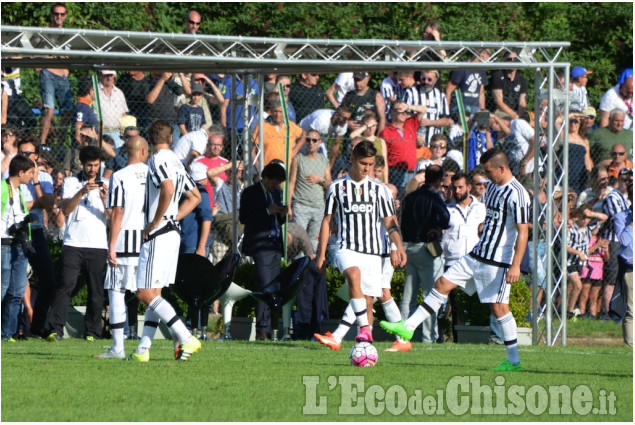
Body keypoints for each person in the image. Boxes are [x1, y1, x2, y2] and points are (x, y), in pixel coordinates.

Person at [382, 147, 531, 371]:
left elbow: (523, 232)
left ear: (502, 168)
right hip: (477, 253)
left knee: (499, 307)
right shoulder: (492, 189)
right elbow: (492, 219)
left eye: (489, 172)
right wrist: (484, 228)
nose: (486, 177)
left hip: (498, 261)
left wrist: (516, 265)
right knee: (442, 283)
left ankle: (513, 361)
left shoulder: (518, 193)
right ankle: (409, 328)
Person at [314, 140, 407, 344]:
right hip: (346, 247)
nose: (367, 168)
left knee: (367, 297)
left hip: (373, 252)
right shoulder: (337, 187)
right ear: (352, 159)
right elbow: (327, 220)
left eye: (370, 164)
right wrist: (321, 255)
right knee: (354, 276)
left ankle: (361, 341)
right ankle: (364, 328)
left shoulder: (379, 189)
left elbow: (390, 221)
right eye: (363, 163)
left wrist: (398, 246)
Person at [128, 120, 202, 362]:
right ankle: (143, 350)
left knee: (144, 293)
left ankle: (186, 337)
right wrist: (172, 218)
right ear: (171, 138)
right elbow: (195, 197)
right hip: (172, 232)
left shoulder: (157, 159)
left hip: (159, 234)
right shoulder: (177, 163)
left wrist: (155, 221)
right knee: (155, 292)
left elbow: (168, 190)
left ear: (150, 141)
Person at [46, 146, 110, 342]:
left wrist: (105, 199)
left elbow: (113, 216)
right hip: (73, 242)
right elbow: (64, 210)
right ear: (82, 164)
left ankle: (92, 332)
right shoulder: (72, 182)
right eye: (89, 165)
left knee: (96, 290)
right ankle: (56, 329)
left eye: (96, 165)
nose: (92, 169)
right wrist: (82, 191)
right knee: (66, 285)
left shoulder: (107, 183)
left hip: (98, 244)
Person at [96, 136, 149, 359]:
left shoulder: (119, 176)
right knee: (151, 294)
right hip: (148, 241)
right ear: (144, 151)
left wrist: (111, 246)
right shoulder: (153, 174)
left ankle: (118, 347)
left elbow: (117, 212)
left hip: (125, 242)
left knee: (116, 291)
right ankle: (147, 344)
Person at [399, 164, 450, 343]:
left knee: (409, 295)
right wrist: (436, 227)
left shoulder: (410, 197)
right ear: (439, 180)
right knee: (431, 295)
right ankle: (429, 337)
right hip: (427, 248)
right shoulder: (434, 197)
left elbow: (403, 221)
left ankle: (402, 335)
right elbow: (445, 219)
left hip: (409, 247)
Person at [13, 139, 58, 340]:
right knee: (14, 283)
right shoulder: (11, 176)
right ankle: (14, 329)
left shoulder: (45, 178)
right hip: (16, 232)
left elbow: (48, 205)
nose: (25, 157)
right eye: (21, 153)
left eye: (29, 154)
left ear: (36, 157)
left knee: (48, 280)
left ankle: (37, 325)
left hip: (37, 232)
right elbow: (17, 206)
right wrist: (36, 203)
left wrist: (36, 181)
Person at [239, 162, 288, 341]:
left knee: (273, 288)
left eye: (278, 184)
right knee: (265, 286)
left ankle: (272, 327)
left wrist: (281, 215)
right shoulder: (250, 192)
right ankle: (262, 329)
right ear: (265, 178)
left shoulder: (277, 193)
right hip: (261, 246)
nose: (276, 187)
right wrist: (267, 211)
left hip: (275, 245)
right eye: (274, 183)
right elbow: (244, 217)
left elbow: (277, 222)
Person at [443, 172, 486, 341]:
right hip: (452, 260)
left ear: (469, 187)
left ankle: (479, 336)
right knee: (455, 304)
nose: (457, 191)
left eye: (461, 187)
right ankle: (457, 337)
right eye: (454, 187)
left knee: (477, 300)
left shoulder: (481, 208)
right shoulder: (447, 209)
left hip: (475, 261)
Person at [1, 155, 36, 341]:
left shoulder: (20, 191)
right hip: (4, 244)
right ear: (21, 172)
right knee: (2, 289)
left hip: (20, 246)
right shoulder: (2, 188)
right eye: (30, 172)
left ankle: (7, 334)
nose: (32, 176)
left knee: (16, 292)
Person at [288, 129, 331, 252]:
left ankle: (309, 268)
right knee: (298, 240)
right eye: (308, 140)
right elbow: (291, 183)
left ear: (319, 142)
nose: (311, 143)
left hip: (318, 207)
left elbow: (329, 184)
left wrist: (320, 179)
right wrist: (289, 206)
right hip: (301, 206)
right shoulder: (298, 159)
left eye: (314, 140)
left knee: (313, 242)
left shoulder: (324, 160)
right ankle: (297, 269)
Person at [38, 3, 74, 146]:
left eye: (62, 14)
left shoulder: (67, 34)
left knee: (67, 111)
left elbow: (68, 55)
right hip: (48, 74)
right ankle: (42, 144)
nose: (59, 17)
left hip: (62, 76)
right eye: (56, 14)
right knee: (49, 110)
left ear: (65, 16)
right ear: (52, 15)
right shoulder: (44, 31)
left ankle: (59, 144)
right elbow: (35, 49)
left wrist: (65, 68)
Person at [599, 167, 632, 321]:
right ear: (619, 179)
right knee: (612, 279)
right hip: (615, 241)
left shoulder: (627, 198)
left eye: (630, 179)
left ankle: (621, 310)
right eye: (624, 179)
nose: (627, 182)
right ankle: (609, 313)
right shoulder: (613, 197)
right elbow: (618, 216)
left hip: (628, 242)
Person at [379, 100, 428, 192]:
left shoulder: (410, 124)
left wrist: (408, 107)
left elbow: (424, 109)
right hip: (395, 172)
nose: (403, 113)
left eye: (405, 111)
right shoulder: (385, 132)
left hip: (411, 172)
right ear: (392, 112)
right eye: (399, 110)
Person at [253, 99, 305, 167]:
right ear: (271, 111)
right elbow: (252, 150)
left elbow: (304, 135)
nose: (278, 114)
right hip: (267, 169)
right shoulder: (262, 126)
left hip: (286, 170)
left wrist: (294, 151)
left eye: (281, 111)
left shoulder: (291, 126)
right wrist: (258, 167)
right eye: (275, 111)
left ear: (286, 112)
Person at [180, 162, 212, 257]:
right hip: (190, 243)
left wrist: (201, 247)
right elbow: (206, 218)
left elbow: (206, 219)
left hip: (193, 244)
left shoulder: (199, 190)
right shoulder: (198, 190)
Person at [614, 183, 633, 346]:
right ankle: (630, 347)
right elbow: (624, 241)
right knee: (631, 310)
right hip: (630, 268)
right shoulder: (621, 217)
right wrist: (632, 223)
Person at [348, 112, 389, 182]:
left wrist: (386, 180)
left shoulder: (381, 141)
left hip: (378, 174)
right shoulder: (361, 139)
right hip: (365, 173)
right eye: (369, 126)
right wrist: (365, 126)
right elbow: (352, 136)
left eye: (373, 125)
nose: (371, 128)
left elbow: (385, 161)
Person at [417, 70, 452, 148]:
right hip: (415, 142)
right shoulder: (412, 92)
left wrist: (432, 122)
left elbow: (446, 121)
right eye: (423, 78)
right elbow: (405, 118)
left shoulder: (440, 96)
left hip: (434, 145)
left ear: (435, 80)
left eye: (429, 79)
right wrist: (415, 135)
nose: (425, 82)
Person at [95, 70, 129, 149]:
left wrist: (124, 130)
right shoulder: (95, 91)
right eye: (106, 75)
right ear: (100, 75)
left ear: (114, 76)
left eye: (111, 75)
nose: (109, 78)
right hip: (100, 133)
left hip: (117, 134)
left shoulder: (119, 93)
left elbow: (123, 114)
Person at [489, 51, 528, 119]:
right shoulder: (497, 76)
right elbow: (499, 103)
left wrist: (519, 115)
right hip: (499, 112)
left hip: (516, 113)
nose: (512, 62)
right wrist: (514, 116)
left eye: (515, 60)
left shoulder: (522, 80)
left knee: (532, 119)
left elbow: (522, 102)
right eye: (509, 59)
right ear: (504, 61)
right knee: (508, 121)